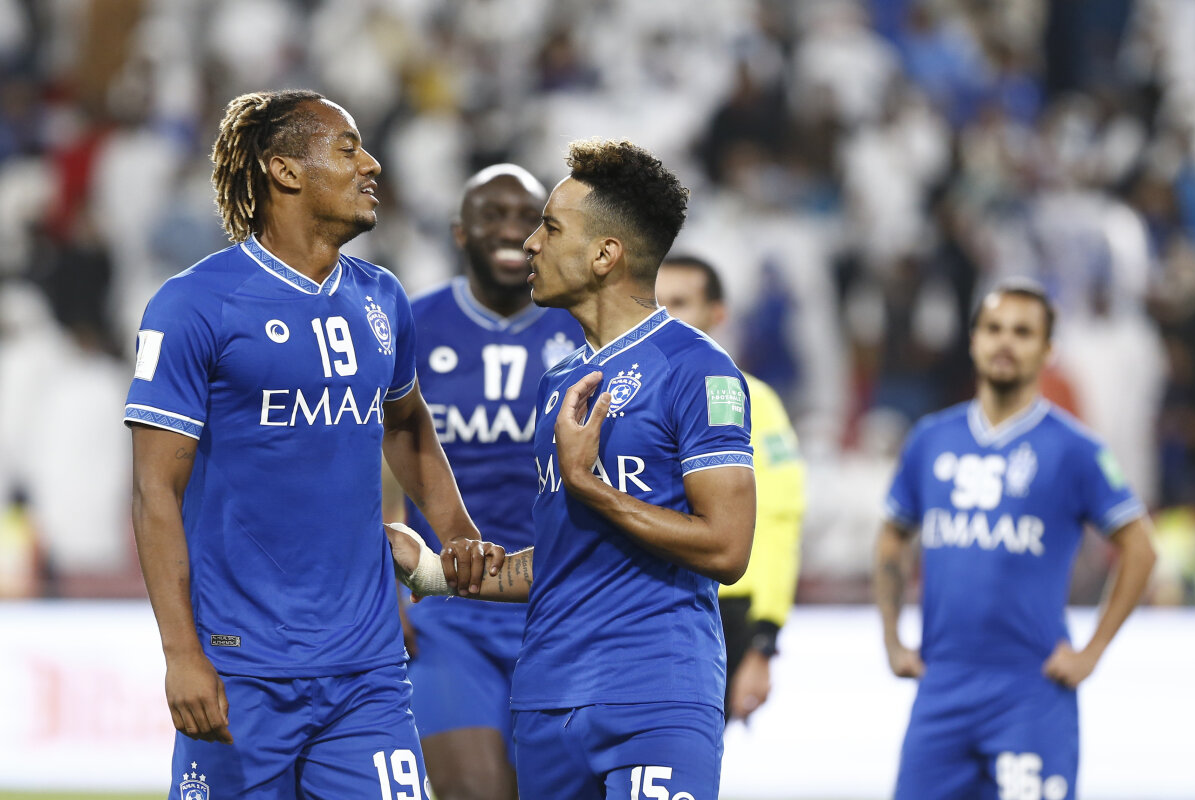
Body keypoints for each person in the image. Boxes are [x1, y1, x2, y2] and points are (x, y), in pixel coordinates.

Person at [125, 89, 500, 799]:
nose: (372, 165)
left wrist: (455, 529)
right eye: (348, 148)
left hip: (368, 670)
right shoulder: (194, 305)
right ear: (285, 170)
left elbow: (406, 422)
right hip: (242, 667)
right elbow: (154, 491)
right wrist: (182, 653)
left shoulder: (381, 298)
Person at [389, 139, 757, 800]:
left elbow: (727, 549)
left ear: (605, 254)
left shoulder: (698, 370)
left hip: (655, 697)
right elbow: (566, 557)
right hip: (549, 701)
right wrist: (432, 571)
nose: (530, 243)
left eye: (551, 228)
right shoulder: (560, 381)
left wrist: (590, 486)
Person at [873, 279, 1158, 800]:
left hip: (1030, 692)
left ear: (1048, 350)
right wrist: (892, 640)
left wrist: (1092, 651)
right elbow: (892, 536)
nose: (1005, 342)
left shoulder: (1076, 449)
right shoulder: (930, 439)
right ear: (974, 340)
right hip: (942, 687)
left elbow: (1141, 546)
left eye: (1023, 332)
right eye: (994, 329)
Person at [401, 163, 579, 800]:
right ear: (459, 232)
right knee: (475, 790)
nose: (510, 230)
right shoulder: (412, 323)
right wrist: (388, 583)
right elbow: (382, 452)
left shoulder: (584, 329)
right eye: (492, 216)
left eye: (528, 218)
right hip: (449, 606)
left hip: (560, 604)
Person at [655, 254, 804, 721]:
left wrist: (764, 641)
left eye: (680, 302)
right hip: (638, 602)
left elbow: (779, 521)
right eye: (655, 302)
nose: (664, 315)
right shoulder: (614, 393)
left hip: (723, 610)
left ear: (717, 314)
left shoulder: (750, 399)